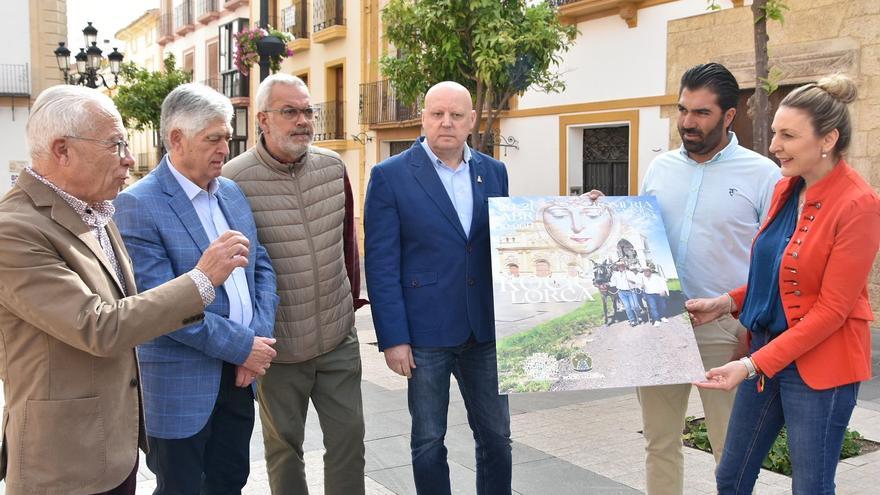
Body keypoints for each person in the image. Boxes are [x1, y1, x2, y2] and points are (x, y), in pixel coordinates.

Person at [0, 85, 250, 495]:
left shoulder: (96, 210)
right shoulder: (14, 228)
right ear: (62, 150)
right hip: (63, 460)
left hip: (113, 445)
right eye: (116, 145)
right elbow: (98, 326)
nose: (129, 159)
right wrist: (202, 279)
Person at [588, 62, 781, 495]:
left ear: (729, 116)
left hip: (725, 331)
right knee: (659, 443)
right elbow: (639, 237)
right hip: (659, 326)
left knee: (730, 451)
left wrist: (750, 323)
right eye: (683, 110)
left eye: (701, 113)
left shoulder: (763, 175)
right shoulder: (660, 169)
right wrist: (605, 212)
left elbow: (773, 261)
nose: (688, 123)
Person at [690, 74, 880, 494]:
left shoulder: (859, 204)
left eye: (788, 135)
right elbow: (773, 273)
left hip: (822, 365)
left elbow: (832, 310)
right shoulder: (785, 188)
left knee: (810, 486)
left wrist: (749, 365)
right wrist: (725, 303)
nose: (774, 145)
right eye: (775, 132)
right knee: (731, 475)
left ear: (827, 139)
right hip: (767, 353)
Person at [113, 83, 280, 494]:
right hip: (180, 385)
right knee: (181, 488)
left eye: (226, 136)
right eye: (214, 138)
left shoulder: (232, 194)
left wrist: (253, 344)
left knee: (229, 482)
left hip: (239, 378)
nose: (225, 147)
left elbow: (262, 269)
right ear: (176, 139)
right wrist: (243, 346)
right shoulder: (138, 204)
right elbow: (163, 310)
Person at [364, 81, 512, 494]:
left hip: (484, 331)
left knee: (497, 438)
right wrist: (394, 338)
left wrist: (578, 215)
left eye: (456, 115)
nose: (446, 122)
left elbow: (510, 240)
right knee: (429, 440)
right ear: (423, 117)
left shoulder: (494, 171)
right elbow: (381, 264)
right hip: (424, 334)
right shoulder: (390, 176)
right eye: (436, 113)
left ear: (471, 121)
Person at [222, 73, 367, 494]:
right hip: (278, 351)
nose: (303, 120)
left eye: (308, 111)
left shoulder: (333, 167)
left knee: (349, 440)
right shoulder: (233, 182)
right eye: (290, 112)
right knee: (284, 449)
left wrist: (350, 308)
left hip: (337, 340)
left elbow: (347, 246)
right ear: (262, 120)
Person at [609, 260, 642, 327]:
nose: (620, 267)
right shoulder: (615, 274)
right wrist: (606, 284)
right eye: (619, 266)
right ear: (617, 267)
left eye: (622, 266)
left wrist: (631, 281)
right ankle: (632, 320)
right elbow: (613, 283)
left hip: (631, 291)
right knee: (627, 307)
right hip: (622, 292)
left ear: (624, 266)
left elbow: (636, 281)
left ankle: (639, 316)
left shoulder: (630, 273)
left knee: (635, 306)